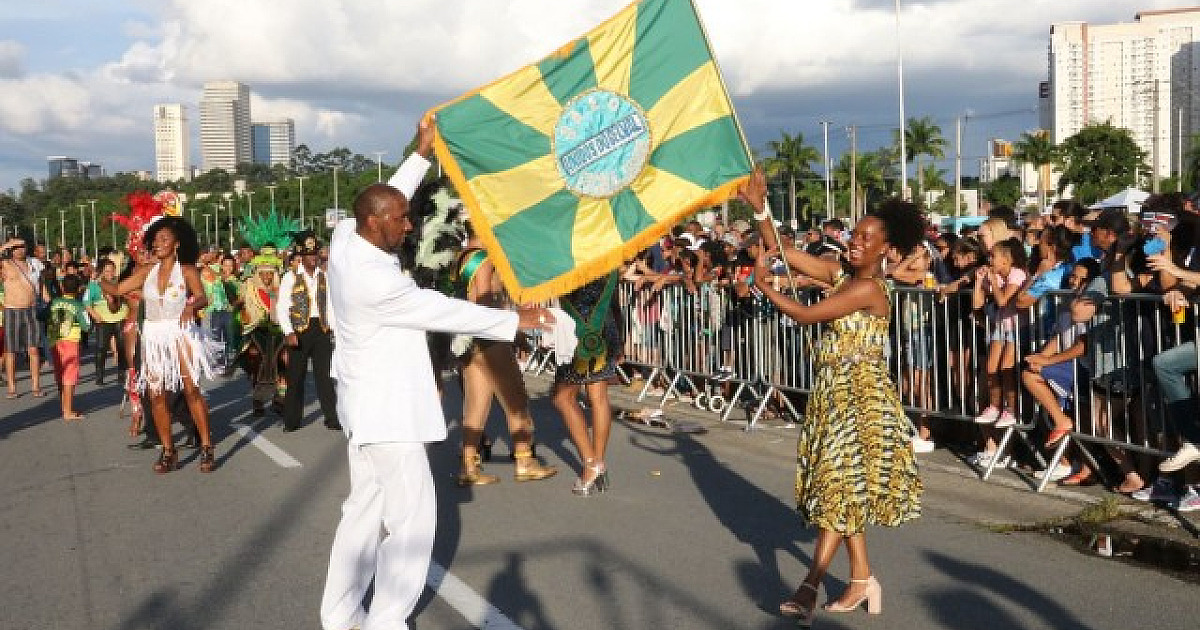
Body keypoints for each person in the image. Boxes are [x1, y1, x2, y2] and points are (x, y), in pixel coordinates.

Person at [319, 119, 553, 630]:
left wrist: (421, 154)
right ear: (375, 224)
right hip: (390, 417)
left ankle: (339, 617)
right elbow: (442, 311)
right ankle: (385, 621)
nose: (409, 225)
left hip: (364, 412)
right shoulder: (374, 278)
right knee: (410, 524)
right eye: (400, 221)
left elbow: (391, 194)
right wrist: (515, 320)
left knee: (361, 515)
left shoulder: (346, 237)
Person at [741, 170, 923, 625]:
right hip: (831, 396)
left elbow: (804, 314)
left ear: (888, 250)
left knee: (838, 489)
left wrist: (764, 287)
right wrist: (761, 208)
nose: (855, 241)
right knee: (842, 491)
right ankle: (862, 579)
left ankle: (809, 585)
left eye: (866, 237)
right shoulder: (842, 274)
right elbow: (786, 253)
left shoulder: (868, 288)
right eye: (855, 234)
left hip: (861, 403)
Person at [103, 216, 218, 474]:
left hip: (181, 332)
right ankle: (168, 451)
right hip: (154, 335)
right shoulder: (146, 272)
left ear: (176, 244)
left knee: (191, 391)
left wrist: (191, 306)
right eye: (155, 240)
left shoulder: (187, 270)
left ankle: (207, 447)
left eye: (164, 239)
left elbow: (202, 297)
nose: (158, 243)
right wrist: (101, 281)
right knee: (156, 395)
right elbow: (119, 289)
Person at [452, 224, 556, 485]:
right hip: (490, 340)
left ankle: (469, 466)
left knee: (475, 406)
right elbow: (485, 301)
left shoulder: (462, 256)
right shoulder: (483, 259)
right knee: (516, 400)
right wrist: (512, 328)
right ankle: (524, 460)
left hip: (470, 339)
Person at [552, 269, 623, 496]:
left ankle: (591, 462)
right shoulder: (608, 257)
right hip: (605, 328)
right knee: (598, 398)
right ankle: (598, 463)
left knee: (563, 397)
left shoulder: (571, 256)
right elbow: (614, 300)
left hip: (581, 332)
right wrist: (620, 337)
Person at [275, 233, 340, 432]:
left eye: (316, 254)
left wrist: (334, 330)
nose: (314, 258)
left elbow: (330, 305)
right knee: (296, 377)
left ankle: (332, 418)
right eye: (309, 255)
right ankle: (292, 421)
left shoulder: (324, 276)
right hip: (299, 331)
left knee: (325, 377)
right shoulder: (291, 276)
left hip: (320, 329)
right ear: (301, 256)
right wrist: (288, 332)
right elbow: (282, 307)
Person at [1, 238, 48, 398]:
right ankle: (12, 387)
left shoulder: (33, 263)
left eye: (22, 246)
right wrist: (5, 246)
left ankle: (36, 386)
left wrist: (45, 294)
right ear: (11, 250)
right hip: (11, 310)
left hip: (31, 309)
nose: (20, 249)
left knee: (33, 349)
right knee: (11, 351)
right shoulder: (6, 265)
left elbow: (40, 282)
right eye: (16, 247)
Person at [47, 273, 90, 420]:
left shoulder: (54, 302)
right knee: (70, 376)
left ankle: (63, 405)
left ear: (62, 287)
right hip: (70, 341)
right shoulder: (79, 305)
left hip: (54, 340)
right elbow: (86, 326)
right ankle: (68, 411)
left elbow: (41, 315)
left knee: (59, 373)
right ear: (78, 289)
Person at [84, 257, 129, 385]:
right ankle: (99, 375)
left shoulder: (120, 283)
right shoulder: (94, 285)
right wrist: (94, 315)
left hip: (120, 319)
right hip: (103, 321)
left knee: (121, 347)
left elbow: (126, 299)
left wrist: (127, 314)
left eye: (112, 270)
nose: (110, 273)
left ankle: (121, 374)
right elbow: (86, 302)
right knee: (101, 347)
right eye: (107, 271)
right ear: (102, 271)